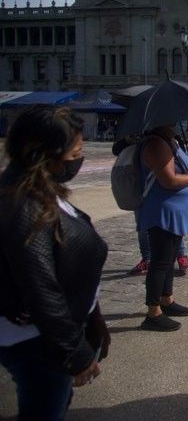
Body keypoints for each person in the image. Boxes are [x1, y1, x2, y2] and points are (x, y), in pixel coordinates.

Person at [0, 105, 109, 419]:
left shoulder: (42, 192)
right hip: (38, 343)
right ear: (46, 155)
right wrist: (74, 352)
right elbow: (41, 289)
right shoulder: (24, 207)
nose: (80, 157)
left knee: (56, 405)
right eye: (76, 151)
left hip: (54, 334)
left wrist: (93, 316)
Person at [137, 124, 188, 331]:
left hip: (174, 212)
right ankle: (153, 311)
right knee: (160, 261)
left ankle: (166, 299)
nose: (178, 124)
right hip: (162, 211)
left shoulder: (170, 143)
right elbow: (168, 180)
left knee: (169, 259)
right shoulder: (156, 144)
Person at [112, 136, 188, 277]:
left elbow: (181, 162)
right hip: (141, 186)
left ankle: (180, 255)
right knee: (143, 225)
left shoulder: (169, 139)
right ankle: (147, 258)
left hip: (164, 191)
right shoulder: (138, 135)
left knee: (172, 226)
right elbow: (116, 149)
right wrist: (130, 140)